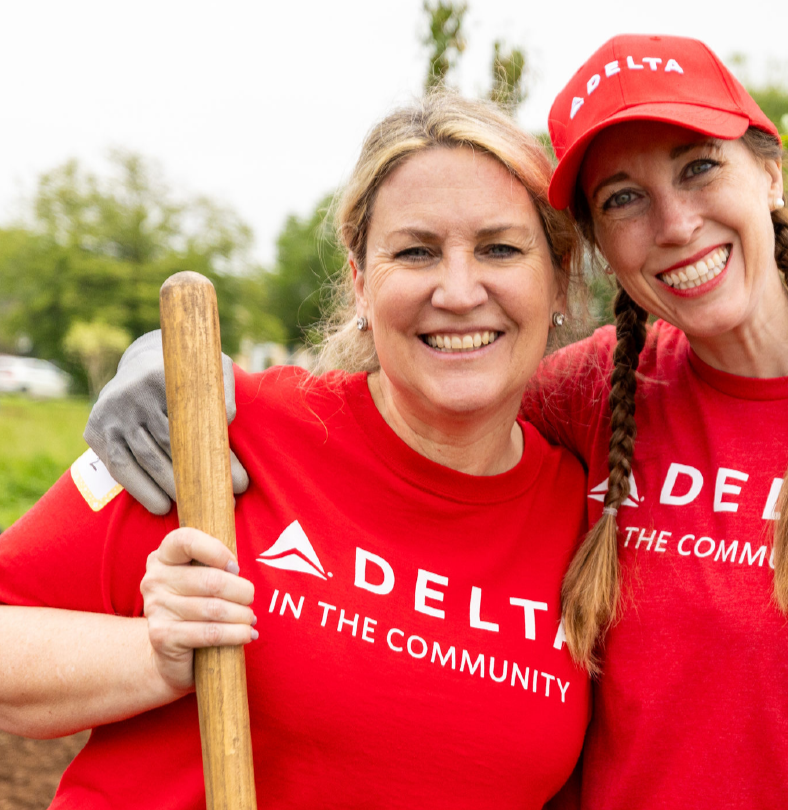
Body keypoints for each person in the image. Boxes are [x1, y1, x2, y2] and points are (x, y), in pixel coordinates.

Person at [82, 36, 788, 810]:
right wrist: (190, 376)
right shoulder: (593, 390)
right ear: (597, 245)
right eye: (624, 198)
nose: (675, 224)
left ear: (768, 169)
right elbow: (411, 392)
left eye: (699, 167)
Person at [0, 92, 592, 809]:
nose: (460, 291)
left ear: (558, 277)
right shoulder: (216, 431)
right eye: (416, 251)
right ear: (361, 284)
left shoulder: (587, 517)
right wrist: (154, 655)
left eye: (500, 248)